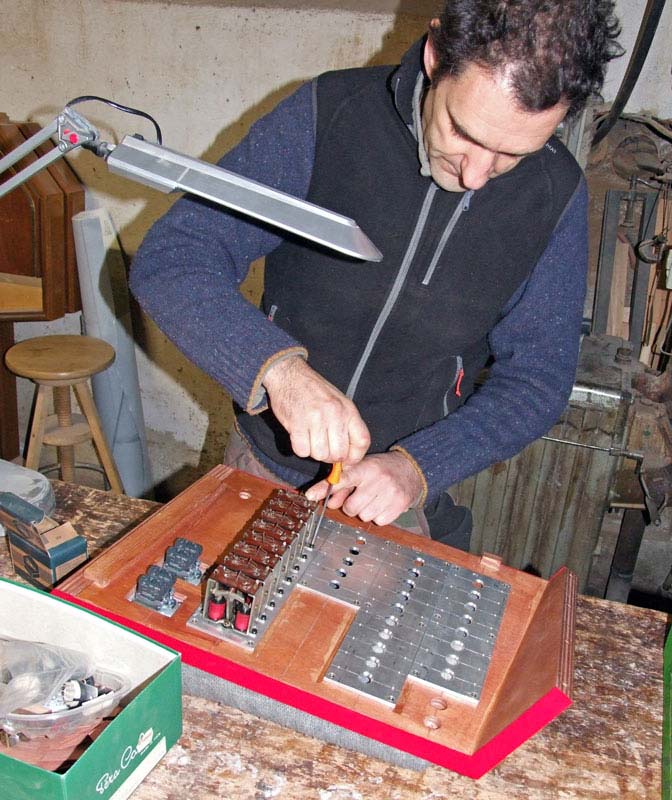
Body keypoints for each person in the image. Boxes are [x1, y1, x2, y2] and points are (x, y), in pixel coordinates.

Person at [129, 0, 621, 549]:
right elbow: (174, 258)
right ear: (436, 57)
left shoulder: (556, 194)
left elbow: (538, 380)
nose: (478, 175)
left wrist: (418, 468)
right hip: (261, 463)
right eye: (464, 133)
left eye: (513, 155)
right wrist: (279, 372)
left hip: (394, 496)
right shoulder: (331, 113)